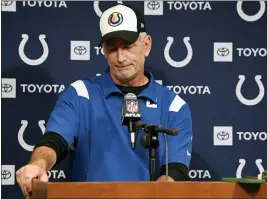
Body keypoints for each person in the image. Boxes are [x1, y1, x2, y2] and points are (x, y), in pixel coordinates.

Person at [16, 3, 193, 198]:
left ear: (147, 45)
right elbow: (54, 141)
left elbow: (175, 171)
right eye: (112, 48)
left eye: (127, 46)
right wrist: (38, 165)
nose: (120, 57)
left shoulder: (175, 106)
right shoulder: (80, 93)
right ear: (103, 51)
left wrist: (157, 193)